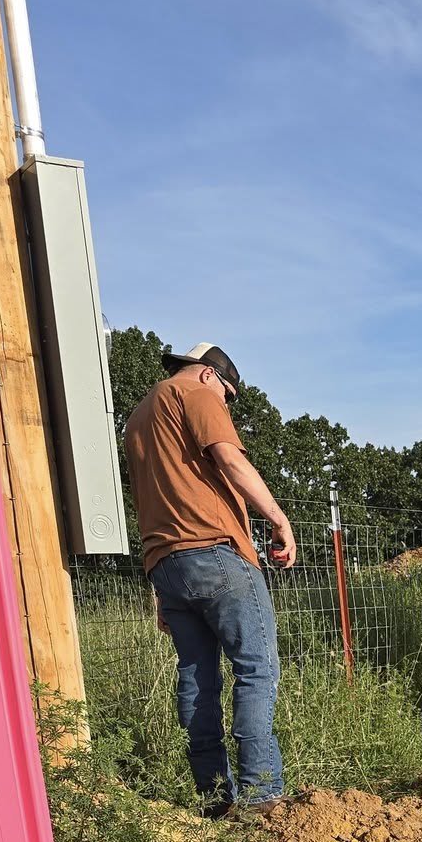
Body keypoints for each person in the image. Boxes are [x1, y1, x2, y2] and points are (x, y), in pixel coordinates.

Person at [123, 341, 297, 815]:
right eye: (228, 395)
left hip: (166, 564)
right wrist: (278, 521)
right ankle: (263, 797)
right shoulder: (197, 394)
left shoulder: (139, 418)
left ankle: (215, 802)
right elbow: (230, 459)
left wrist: (160, 588)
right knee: (256, 670)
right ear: (208, 375)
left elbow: (150, 499)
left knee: (198, 678)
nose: (226, 406)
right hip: (216, 552)